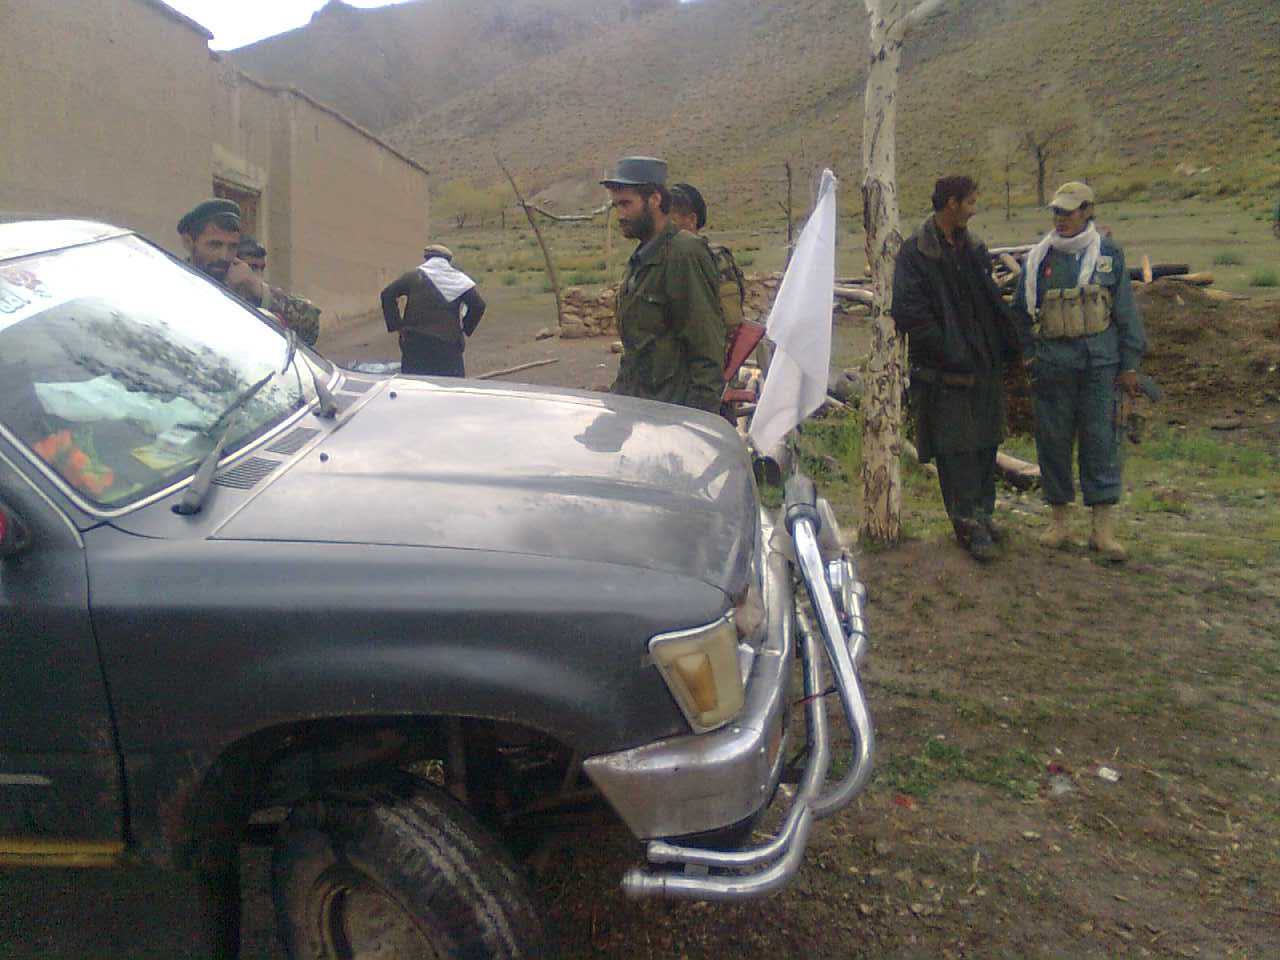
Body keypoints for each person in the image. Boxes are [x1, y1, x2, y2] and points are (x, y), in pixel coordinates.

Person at [1015, 181, 1146, 561]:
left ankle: (1102, 530)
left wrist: (1130, 364)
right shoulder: (1039, 259)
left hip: (1098, 367)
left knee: (1101, 443)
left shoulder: (1109, 254)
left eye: (1069, 212)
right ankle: (1059, 522)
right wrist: (1028, 355)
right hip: (1053, 366)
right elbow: (1020, 313)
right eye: (1057, 212)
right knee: (1053, 442)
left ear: (1088, 211)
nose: (1061, 219)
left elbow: (1125, 311)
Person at [893, 175, 1019, 562]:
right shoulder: (915, 253)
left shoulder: (973, 247)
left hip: (982, 364)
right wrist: (950, 350)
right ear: (951, 203)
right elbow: (909, 312)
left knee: (986, 443)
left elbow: (988, 303)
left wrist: (1005, 347)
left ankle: (983, 516)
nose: (973, 210)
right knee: (956, 449)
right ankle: (966, 525)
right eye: (969, 202)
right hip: (943, 371)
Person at [603, 158, 724, 413]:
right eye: (616, 206)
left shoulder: (683, 253)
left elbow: (706, 350)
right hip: (641, 411)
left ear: (655, 200)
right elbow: (637, 350)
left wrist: (697, 423)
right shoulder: (642, 257)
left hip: (673, 415)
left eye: (626, 204)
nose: (620, 215)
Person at [177, 199, 321, 346]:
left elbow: (310, 328)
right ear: (188, 242)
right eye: (215, 245)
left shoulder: (243, 285)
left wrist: (258, 289)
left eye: (232, 247)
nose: (224, 256)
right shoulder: (174, 285)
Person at [380, 244, 486, 376]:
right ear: (448, 260)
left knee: (416, 385)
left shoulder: (414, 276)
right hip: (448, 346)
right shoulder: (459, 280)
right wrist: (465, 329)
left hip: (415, 344)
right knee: (449, 386)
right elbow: (478, 305)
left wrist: (398, 326)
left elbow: (387, 294)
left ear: (427, 258)